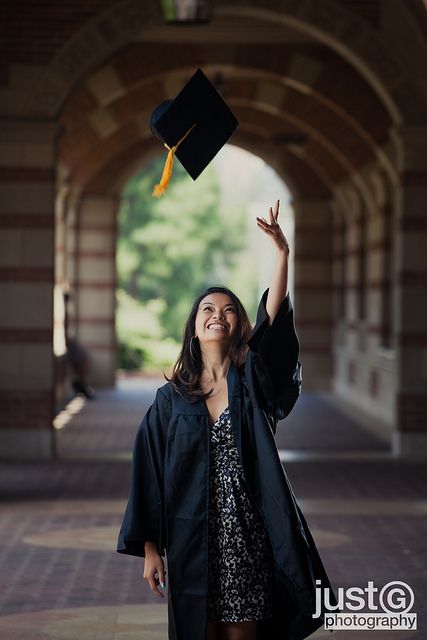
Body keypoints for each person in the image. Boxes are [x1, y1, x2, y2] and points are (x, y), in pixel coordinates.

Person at [117, 200, 338, 640]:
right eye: (207, 310)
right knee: (201, 630)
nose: (218, 314)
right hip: (192, 536)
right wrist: (149, 549)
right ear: (194, 328)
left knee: (243, 634)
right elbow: (150, 475)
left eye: (229, 310)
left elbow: (275, 325)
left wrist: (282, 254)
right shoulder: (168, 402)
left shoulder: (252, 382)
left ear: (239, 326)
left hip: (248, 534)